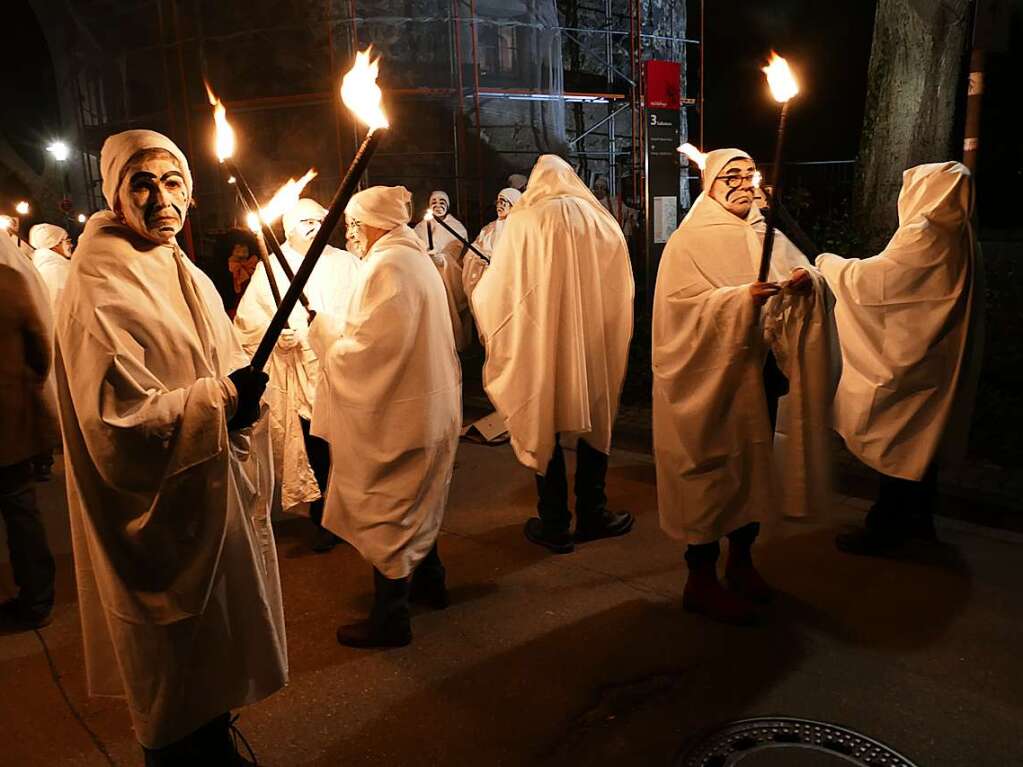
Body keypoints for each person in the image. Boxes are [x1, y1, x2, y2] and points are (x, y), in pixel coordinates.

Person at [54, 129, 286, 764]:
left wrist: (244, 395)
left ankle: (213, 740)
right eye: (142, 183)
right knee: (173, 676)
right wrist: (224, 402)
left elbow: (224, 359)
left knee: (212, 657)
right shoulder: (100, 282)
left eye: (173, 182)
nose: (162, 198)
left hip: (208, 490)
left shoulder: (180, 266)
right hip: (158, 518)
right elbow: (117, 423)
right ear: (115, 195)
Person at [652, 148, 833, 625]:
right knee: (710, 469)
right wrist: (736, 302)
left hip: (760, 374)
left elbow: (805, 272)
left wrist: (803, 280)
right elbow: (679, 309)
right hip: (709, 381)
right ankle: (701, 577)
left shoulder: (763, 230)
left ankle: (742, 559)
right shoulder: (689, 241)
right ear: (710, 185)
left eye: (748, 175)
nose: (741, 184)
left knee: (751, 465)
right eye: (729, 176)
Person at [311, 185, 460, 649]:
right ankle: (432, 580)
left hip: (402, 417)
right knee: (418, 500)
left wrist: (324, 334)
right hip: (426, 407)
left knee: (387, 506)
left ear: (378, 223)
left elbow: (374, 349)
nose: (352, 234)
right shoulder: (408, 257)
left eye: (357, 224)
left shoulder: (391, 264)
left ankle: (392, 617)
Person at [470, 155, 635, 554]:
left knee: (544, 419)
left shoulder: (526, 221)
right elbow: (623, 283)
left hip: (542, 342)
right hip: (594, 341)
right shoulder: (599, 220)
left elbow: (500, 289)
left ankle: (556, 522)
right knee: (596, 418)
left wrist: (484, 299)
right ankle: (594, 512)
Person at [817, 161, 983, 555]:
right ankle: (919, 526)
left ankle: (887, 528)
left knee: (898, 442)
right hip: (936, 361)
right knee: (920, 449)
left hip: (910, 367)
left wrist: (829, 264)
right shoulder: (962, 234)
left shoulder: (924, 233)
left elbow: (878, 283)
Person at [234, 197, 361, 553]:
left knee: (348, 445)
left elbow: (363, 313)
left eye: (320, 220)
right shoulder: (272, 268)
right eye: (306, 221)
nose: (315, 227)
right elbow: (249, 322)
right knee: (315, 445)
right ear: (289, 228)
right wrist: (276, 336)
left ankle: (353, 512)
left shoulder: (347, 263)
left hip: (340, 369)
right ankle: (324, 517)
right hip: (301, 379)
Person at [0, 230, 58, 631]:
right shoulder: (11, 281)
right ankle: (37, 599)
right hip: (10, 424)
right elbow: (41, 350)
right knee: (21, 513)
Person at [415, 190, 474, 350]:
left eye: (442, 202)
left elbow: (457, 251)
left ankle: (451, 343)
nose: (438, 205)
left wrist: (443, 259)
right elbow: (415, 247)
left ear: (447, 205)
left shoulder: (456, 227)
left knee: (448, 308)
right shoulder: (420, 227)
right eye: (434, 202)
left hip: (447, 276)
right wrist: (425, 255)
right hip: (426, 274)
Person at [461, 187, 521, 298]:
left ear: (514, 204)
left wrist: (497, 260)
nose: (499, 205)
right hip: (486, 277)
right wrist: (478, 257)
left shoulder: (520, 228)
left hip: (509, 279)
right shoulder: (488, 229)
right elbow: (474, 249)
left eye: (504, 202)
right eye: (498, 202)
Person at [29, 223, 74, 309]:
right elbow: (56, 305)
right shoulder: (55, 269)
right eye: (67, 241)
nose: (71, 245)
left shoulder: (46, 266)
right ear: (55, 243)